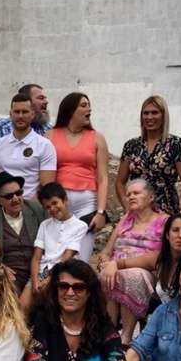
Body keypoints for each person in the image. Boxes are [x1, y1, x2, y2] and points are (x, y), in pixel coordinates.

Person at [26, 260, 131, 361]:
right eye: (63, 286)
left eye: (78, 287)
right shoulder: (43, 320)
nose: (70, 293)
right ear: (55, 290)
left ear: (89, 292)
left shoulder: (101, 323)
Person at [98, 179, 168, 344]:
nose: (130, 197)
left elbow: (161, 257)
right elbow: (106, 251)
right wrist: (105, 263)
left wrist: (116, 265)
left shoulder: (164, 221)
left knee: (131, 276)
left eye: (136, 193)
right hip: (115, 269)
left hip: (146, 271)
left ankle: (125, 338)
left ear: (151, 197)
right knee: (106, 276)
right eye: (128, 194)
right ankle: (110, 335)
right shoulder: (125, 219)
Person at [48, 92, 110, 262]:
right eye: (83, 105)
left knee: (82, 255)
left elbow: (103, 177)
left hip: (87, 202)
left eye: (89, 105)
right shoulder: (50, 135)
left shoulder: (97, 138)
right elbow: (46, 173)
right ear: (70, 109)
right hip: (59, 201)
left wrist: (101, 211)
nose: (89, 109)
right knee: (57, 254)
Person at [116, 95, 181, 214]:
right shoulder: (131, 146)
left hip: (166, 212)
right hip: (137, 213)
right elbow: (120, 182)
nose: (149, 117)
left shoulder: (176, 144)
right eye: (146, 113)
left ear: (163, 116)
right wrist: (126, 205)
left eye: (155, 113)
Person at [0, 172, 46, 296]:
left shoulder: (36, 209)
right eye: (9, 196)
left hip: (39, 269)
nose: (15, 199)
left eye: (19, 193)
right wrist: (0, 267)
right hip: (9, 274)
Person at [0, 93, 56, 199]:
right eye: (17, 112)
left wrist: (33, 206)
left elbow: (46, 186)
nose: (20, 116)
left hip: (32, 205)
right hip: (5, 205)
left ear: (32, 114)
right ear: (10, 114)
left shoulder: (45, 145)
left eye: (25, 112)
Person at [30, 183, 88, 296]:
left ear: (65, 200)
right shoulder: (44, 225)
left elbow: (66, 257)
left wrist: (49, 279)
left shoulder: (80, 226)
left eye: (55, 203)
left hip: (64, 272)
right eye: (47, 207)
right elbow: (36, 257)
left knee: (49, 296)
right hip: (42, 272)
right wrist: (35, 281)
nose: (52, 208)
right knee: (24, 303)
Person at [153, 213, 181, 305]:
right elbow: (124, 263)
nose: (180, 235)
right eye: (175, 230)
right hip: (163, 312)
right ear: (167, 235)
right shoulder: (159, 259)